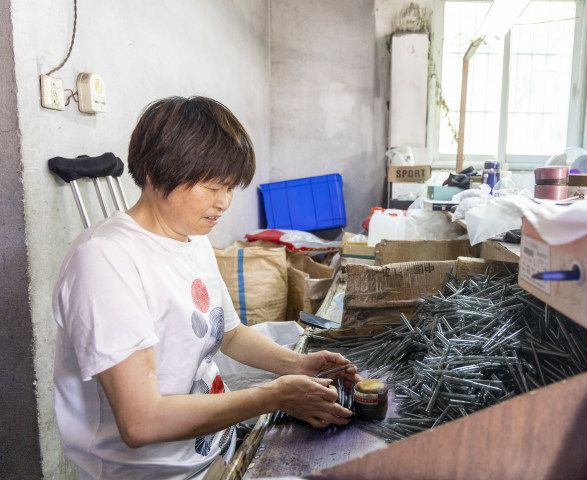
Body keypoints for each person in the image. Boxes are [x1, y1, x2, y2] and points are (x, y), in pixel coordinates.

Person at [52, 96, 359, 480]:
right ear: (154, 170)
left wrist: (298, 364)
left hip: (211, 449)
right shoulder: (104, 260)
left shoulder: (192, 238)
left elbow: (229, 333)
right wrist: (274, 396)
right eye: (212, 187)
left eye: (230, 188)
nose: (224, 203)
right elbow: (141, 422)